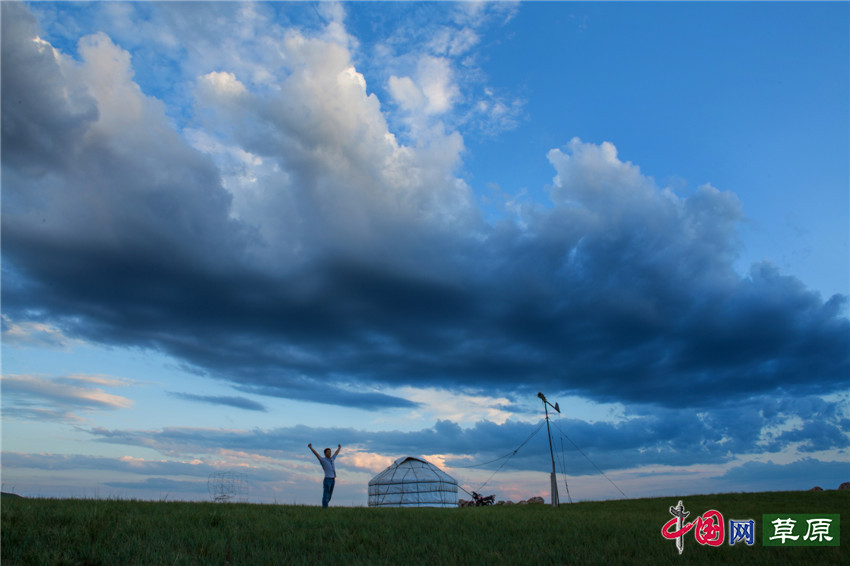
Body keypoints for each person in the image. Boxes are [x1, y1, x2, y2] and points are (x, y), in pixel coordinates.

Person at [308, 443, 341, 508]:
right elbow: (316, 454)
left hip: (333, 479)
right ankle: (324, 508)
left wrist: (339, 448)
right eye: (328, 452)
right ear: (325, 453)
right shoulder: (323, 460)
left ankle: (325, 505)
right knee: (326, 494)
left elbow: (336, 454)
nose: (329, 453)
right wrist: (311, 447)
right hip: (327, 479)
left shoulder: (332, 459)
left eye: (330, 452)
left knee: (329, 496)